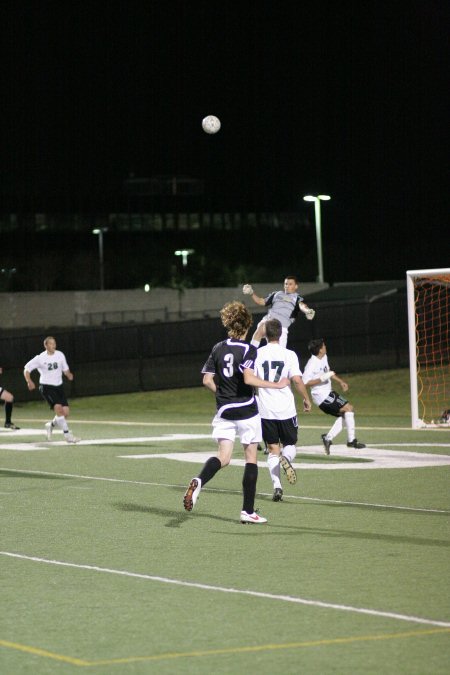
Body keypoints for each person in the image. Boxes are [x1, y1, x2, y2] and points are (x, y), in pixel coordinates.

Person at [183, 301, 290, 524]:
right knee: (251, 458)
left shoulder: (218, 347)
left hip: (224, 410)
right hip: (246, 409)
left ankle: (199, 480)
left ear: (228, 323)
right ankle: (247, 511)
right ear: (247, 325)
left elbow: (206, 380)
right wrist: (276, 385)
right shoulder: (249, 350)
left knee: (223, 457)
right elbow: (249, 379)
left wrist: (221, 394)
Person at [254, 319, 311, 501]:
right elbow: (296, 380)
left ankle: (277, 486)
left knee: (272, 449)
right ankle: (286, 458)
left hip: (266, 410)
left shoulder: (256, 353)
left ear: (266, 333)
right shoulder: (289, 354)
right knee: (290, 445)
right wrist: (306, 398)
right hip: (286, 409)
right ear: (280, 334)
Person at [302, 338, 365, 454]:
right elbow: (305, 382)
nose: (325, 346)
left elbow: (328, 372)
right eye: (324, 345)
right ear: (320, 350)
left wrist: (340, 381)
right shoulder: (311, 364)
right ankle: (351, 440)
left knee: (348, 411)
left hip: (329, 393)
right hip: (321, 397)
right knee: (348, 409)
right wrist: (321, 379)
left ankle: (329, 438)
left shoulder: (324, 357)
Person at [23, 336, 79, 443]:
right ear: (46, 345)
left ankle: (50, 425)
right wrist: (29, 381)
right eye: (51, 344)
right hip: (46, 387)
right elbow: (26, 369)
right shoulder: (40, 358)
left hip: (59, 387)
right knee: (59, 409)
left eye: (54, 343)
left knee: (65, 413)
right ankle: (68, 436)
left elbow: (65, 369)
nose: (54, 345)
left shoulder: (60, 355)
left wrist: (68, 374)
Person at [242, 275, 315, 349]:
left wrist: (307, 311)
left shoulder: (297, 298)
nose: (287, 286)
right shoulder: (277, 294)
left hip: (281, 327)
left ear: (296, 286)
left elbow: (302, 306)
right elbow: (261, 301)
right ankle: (250, 353)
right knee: (260, 330)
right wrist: (251, 293)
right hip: (269, 321)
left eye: (290, 284)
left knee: (280, 354)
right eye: (286, 284)